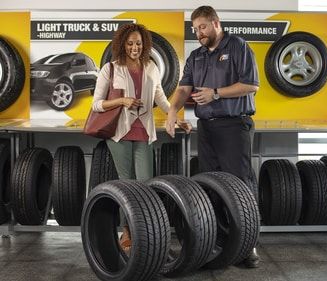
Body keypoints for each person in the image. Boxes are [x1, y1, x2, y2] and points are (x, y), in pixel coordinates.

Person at [166, 6, 260, 268]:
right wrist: (173, 111)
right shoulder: (196, 56)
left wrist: (215, 93)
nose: (199, 33)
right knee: (213, 185)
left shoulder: (238, 46)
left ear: (216, 24)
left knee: (240, 185)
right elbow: (184, 88)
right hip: (206, 128)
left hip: (233, 125)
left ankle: (249, 244)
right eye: (195, 29)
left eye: (203, 27)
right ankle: (221, 243)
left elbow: (251, 84)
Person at [92, 23, 188, 253]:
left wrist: (177, 118)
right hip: (120, 134)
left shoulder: (152, 67)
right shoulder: (111, 69)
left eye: (138, 43)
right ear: (122, 45)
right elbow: (97, 104)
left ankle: (145, 232)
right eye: (130, 43)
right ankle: (127, 232)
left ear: (144, 44)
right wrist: (122, 101)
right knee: (127, 185)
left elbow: (162, 99)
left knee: (145, 184)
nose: (135, 47)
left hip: (144, 131)